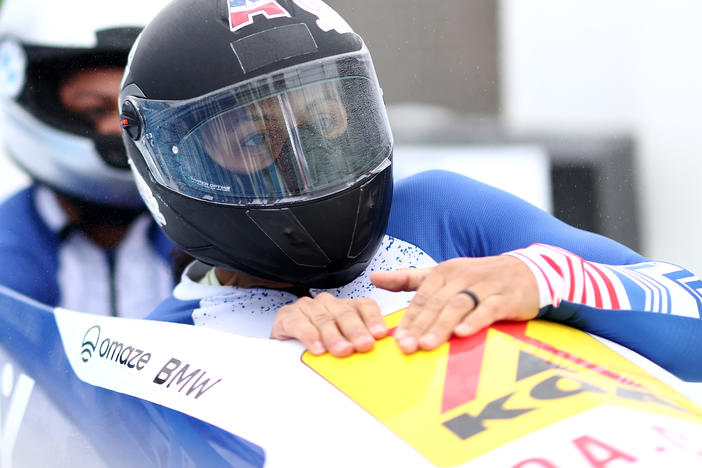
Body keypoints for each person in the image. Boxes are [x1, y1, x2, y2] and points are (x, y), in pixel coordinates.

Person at [121, 0, 702, 378]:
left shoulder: (445, 212)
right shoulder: (160, 350)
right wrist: (256, 364)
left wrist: (546, 280)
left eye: (325, 121)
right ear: (172, 168)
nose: (309, 158)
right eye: (255, 140)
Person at [0, 0, 177, 317]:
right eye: (94, 109)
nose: (120, 126)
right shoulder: (8, 241)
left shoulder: (213, 237)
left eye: (137, 109)